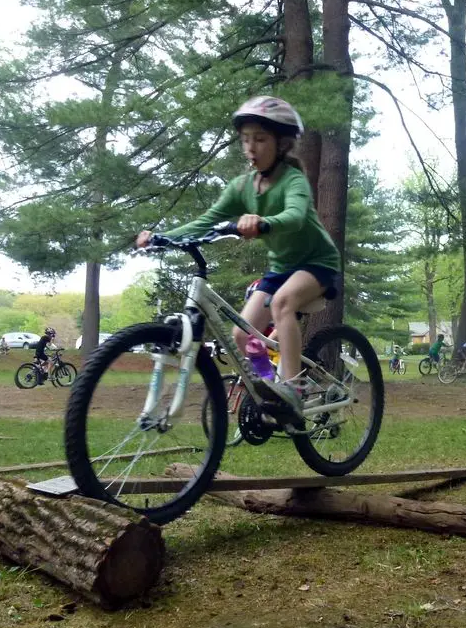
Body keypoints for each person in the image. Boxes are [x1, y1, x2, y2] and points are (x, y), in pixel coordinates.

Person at [136, 96, 340, 424]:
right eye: (246, 139)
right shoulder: (241, 186)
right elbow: (207, 220)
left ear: (282, 143)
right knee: (241, 336)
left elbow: (296, 215)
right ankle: (269, 387)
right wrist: (163, 236)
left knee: (283, 304)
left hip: (318, 263)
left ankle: (293, 389)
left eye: (260, 139)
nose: (251, 147)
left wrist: (263, 223)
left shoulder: (293, 180)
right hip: (281, 267)